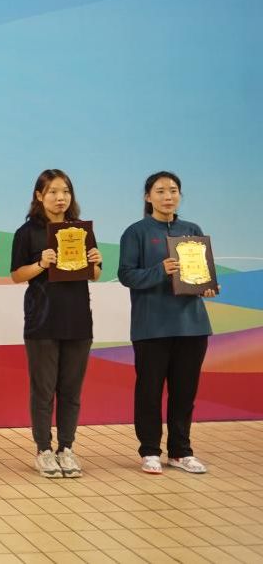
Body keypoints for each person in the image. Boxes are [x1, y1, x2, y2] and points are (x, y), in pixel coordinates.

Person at [118, 171, 215, 474]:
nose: (167, 196)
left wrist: (207, 286)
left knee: (184, 393)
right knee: (149, 392)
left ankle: (180, 451)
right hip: (152, 327)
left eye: (173, 190)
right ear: (148, 197)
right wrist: (160, 270)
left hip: (192, 326)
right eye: (160, 191)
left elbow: (201, 273)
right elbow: (127, 275)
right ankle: (149, 450)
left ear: (180, 196)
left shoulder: (192, 230)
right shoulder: (136, 232)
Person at [9, 169, 102, 478]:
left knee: (71, 391)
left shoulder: (81, 230)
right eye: (53, 192)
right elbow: (16, 275)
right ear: (39, 196)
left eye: (65, 191)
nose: (60, 198)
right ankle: (44, 450)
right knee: (43, 390)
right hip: (42, 321)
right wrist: (41, 263)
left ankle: (66, 448)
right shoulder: (28, 232)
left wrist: (95, 261)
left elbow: (95, 274)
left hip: (78, 320)